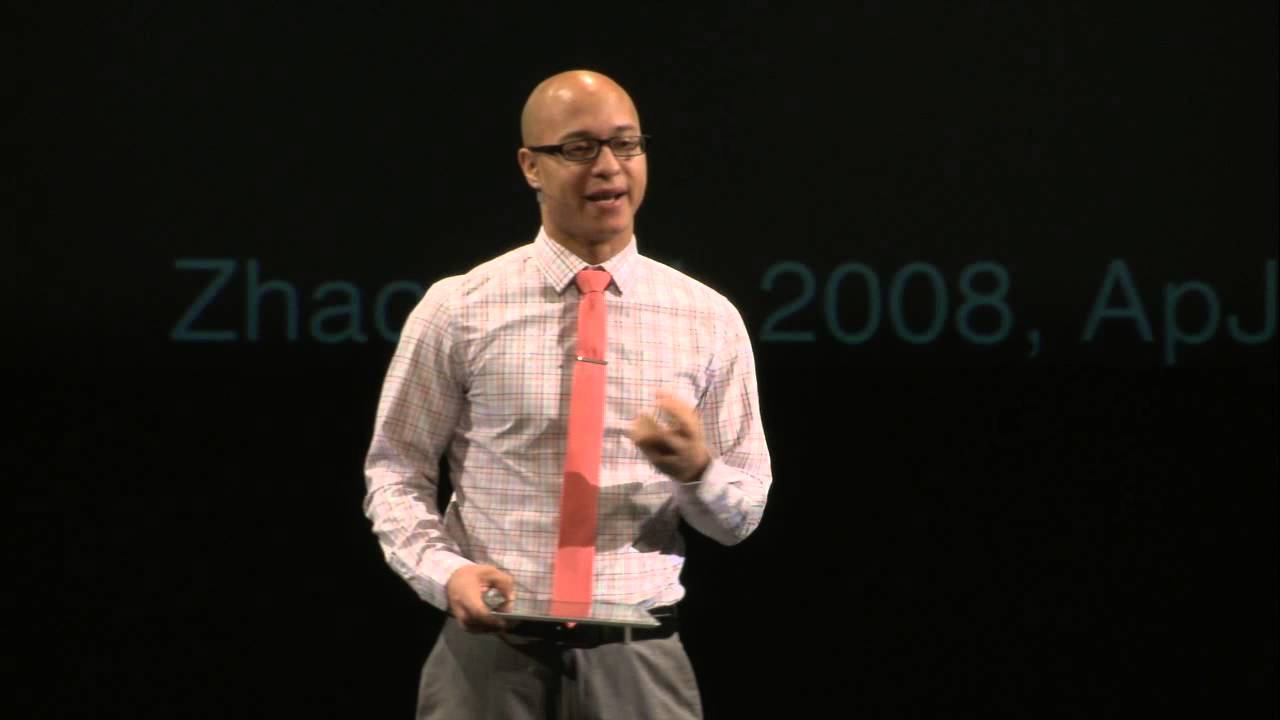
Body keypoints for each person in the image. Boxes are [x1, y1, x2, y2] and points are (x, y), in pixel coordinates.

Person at [363, 69, 771, 719]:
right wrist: (447, 575)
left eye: (627, 144)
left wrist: (699, 472)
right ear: (531, 165)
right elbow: (395, 472)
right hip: (489, 658)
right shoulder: (459, 307)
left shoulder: (707, 318)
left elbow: (740, 517)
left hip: (640, 657)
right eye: (579, 148)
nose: (609, 166)